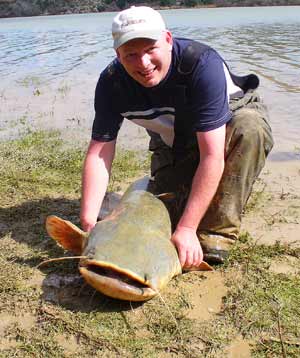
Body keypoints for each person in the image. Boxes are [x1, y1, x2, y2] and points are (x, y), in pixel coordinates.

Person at [80, 6, 274, 268]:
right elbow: (100, 152)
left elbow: (212, 155)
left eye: (151, 50)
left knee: (250, 129)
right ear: (118, 54)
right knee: (170, 209)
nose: (144, 64)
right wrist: (89, 222)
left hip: (228, 122)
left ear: (168, 40)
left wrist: (188, 228)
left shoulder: (201, 64)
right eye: (131, 55)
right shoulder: (111, 83)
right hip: (174, 138)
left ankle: (216, 233)